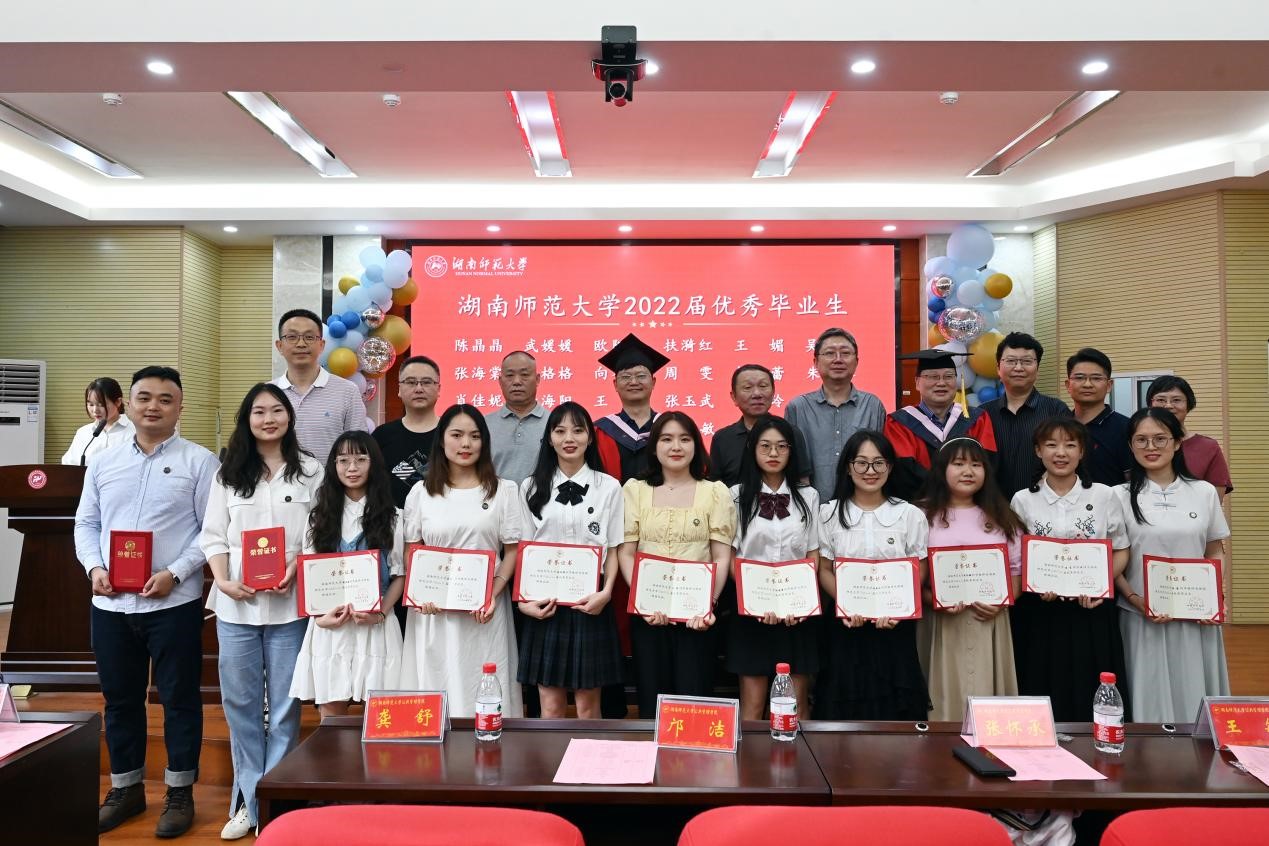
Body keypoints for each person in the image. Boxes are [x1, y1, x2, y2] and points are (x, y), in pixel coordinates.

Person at [74, 366, 218, 838]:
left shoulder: (200, 462)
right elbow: (86, 523)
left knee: (179, 699)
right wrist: (94, 568)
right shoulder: (103, 461)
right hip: (111, 605)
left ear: (180, 407)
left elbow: (211, 533)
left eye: (165, 399)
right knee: (119, 701)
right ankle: (126, 788)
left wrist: (175, 572)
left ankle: (179, 792)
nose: (153, 406)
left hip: (173, 603)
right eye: (144, 397)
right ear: (129, 404)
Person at [200, 383, 323, 840]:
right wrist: (222, 580)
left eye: (276, 410)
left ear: (289, 416)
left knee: (287, 705)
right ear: (246, 419)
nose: (268, 419)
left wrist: (296, 565)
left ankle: (275, 798)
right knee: (241, 704)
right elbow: (213, 535)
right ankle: (251, 801)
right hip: (237, 605)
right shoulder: (228, 472)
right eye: (258, 411)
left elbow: (319, 531)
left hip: (290, 604)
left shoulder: (310, 470)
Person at [401, 404, 525, 718]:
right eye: (456, 435)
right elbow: (413, 548)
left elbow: (512, 551)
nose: (466, 444)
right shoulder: (421, 492)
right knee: (436, 686)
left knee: (483, 686)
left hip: (484, 611)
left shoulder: (503, 491)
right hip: (434, 611)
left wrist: (492, 594)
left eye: (474, 436)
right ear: (442, 440)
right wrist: (421, 593)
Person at [1009, 418, 1131, 721]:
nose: (1060, 452)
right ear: (1038, 451)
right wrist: (1033, 586)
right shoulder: (1023, 499)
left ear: (1082, 451)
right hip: (1041, 611)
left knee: (1092, 687)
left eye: (1070, 445)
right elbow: (1017, 558)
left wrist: (1100, 586)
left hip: (1092, 609)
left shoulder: (1104, 495)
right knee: (1042, 683)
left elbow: (1121, 549)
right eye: (1051, 445)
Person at [1114, 408, 1230, 723]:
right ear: (1131, 446)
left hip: (1196, 616)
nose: (1151, 447)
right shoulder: (1117, 496)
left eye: (1160, 438)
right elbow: (1115, 559)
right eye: (1141, 440)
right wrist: (1134, 598)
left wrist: (1215, 597)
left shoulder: (1203, 492)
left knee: (1195, 691)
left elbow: (1214, 550)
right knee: (1148, 696)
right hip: (1141, 615)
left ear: (1177, 443)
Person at [619, 412, 735, 718]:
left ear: (696, 444)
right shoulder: (635, 490)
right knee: (652, 703)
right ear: (654, 446)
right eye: (666, 439)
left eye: (685, 439)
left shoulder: (715, 492)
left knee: (694, 706)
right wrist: (643, 602)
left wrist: (708, 604)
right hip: (648, 615)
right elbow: (626, 552)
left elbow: (721, 556)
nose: (676, 447)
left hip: (697, 617)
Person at [516, 402, 624, 718]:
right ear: (549, 439)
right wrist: (523, 603)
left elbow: (614, 549)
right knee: (550, 705)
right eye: (560, 431)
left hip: (590, 603)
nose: (569, 438)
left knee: (589, 706)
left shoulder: (609, 487)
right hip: (544, 605)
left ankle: (589, 754)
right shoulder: (530, 486)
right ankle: (552, 755)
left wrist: (606, 593)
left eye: (578, 430)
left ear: (590, 438)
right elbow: (524, 549)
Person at [813, 430, 929, 721]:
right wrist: (847, 604)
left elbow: (919, 568)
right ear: (848, 467)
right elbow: (824, 569)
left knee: (896, 710)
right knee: (844, 704)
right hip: (846, 625)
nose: (870, 471)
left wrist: (899, 609)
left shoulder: (909, 514)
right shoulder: (828, 513)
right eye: (861, 463)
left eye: (879, 463)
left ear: (890, 467)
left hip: (894, 625)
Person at [289, 431, 405, 717]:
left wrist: (380, 613)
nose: (352, 468)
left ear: (373, 463)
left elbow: (400, 575)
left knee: (381, 718)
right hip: (331, 627)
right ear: (334, 466)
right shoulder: (318, 518)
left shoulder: (393, 517)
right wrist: (320, 618)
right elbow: (310, 574)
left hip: (376, 626)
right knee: (331, 719)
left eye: (361, 459)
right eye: (343, 460)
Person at [918, 437, 1023, 722]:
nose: (968, 471)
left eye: (977, 465)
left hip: (989, 619)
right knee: (942, 696)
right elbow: (914, 574)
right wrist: (932, 600)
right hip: (940, 621)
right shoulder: (920, 515)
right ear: (941, 469)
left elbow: (1016, 571)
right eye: (959, 463)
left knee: (987, 704)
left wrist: (1001, 603)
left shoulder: (1002, 516)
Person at [727, 415, 819, 721]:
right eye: (765, 446)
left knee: (795, 705)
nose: (773, 453)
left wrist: (802, 602)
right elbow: (730, 555)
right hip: (751, 613)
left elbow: (812, 552)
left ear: (792, 451)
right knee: (752, 706)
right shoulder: (736, 496)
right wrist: (753, 601)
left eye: (781, 446)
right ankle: (751, 756)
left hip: (797, 614)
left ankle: (797, 754)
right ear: (752, 450)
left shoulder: (808, 496)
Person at [785, 328, 886, 501]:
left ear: (856, 361)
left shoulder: (872, 405)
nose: (838, 359)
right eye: (830, 353)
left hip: (861, 506)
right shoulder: (798, 407)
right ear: (815, 362)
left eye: (845, 353)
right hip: (810, 507)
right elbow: (789, 461)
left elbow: (882, 459)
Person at [884, 348, 997, 502]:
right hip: (918, 506)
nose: (941, 383)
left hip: (967, 505)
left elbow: (987, 464)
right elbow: (904, 471)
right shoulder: (899, 423)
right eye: (932, 377)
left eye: (948, 376)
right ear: (917, 383)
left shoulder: (978, 419)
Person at [270, 308, 366, 463]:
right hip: (279, 479)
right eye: (292, 337)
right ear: (279, 345)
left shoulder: (347, 391)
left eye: (309, 337)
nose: (301, 344)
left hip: (330, 479)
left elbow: (359, 449)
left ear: (321, 345)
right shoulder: (268, 394)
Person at [982, 332, 1072, 497]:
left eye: (1027, 361)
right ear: (998, 368)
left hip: (1043, 504)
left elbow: (1068, 458)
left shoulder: (1056, 410)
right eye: (1011, 361)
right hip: (991, 506)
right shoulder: (982, 414)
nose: (1018, 368)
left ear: (1037, 369)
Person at [709, 364, 811, 488]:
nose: (757, 394)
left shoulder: (791, 433)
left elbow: (802, 481)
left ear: (773, 393)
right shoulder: (723, 438)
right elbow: (715, 487)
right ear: (734, 397)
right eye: (747, 387)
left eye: (763, 386)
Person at [594, 334, 669, 482]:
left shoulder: (671, 428)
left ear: (653, 382)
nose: (634, 382)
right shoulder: (600, 431)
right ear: (615, 384)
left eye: (641, 376)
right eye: (626, 377)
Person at [1146, 375, 1233, 500]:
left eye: (1176, 400)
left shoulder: (1208, 447)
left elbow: (1214, 499)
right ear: (1150, 404)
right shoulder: (1138, 444)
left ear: (1188, 405)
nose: (1168, 405)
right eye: (1161, 400)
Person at [373, 355, 441, 508]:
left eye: (426, 382)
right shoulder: (382, 436)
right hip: (392, 520)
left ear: (438, 389)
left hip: (442, 520)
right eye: (410, 382)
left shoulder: (452, 434)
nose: (419, 389)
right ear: (399, 389)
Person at [1066, 347, 1132, 488]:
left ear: (1109, 385)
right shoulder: (1059, 428)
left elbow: (1133, 482)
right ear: (1068, 385)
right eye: (1079, 378)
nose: (1087, 384)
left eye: (1096, 378)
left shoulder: (1127, 428)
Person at [487, 351, 548, 485]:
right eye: (509, 375)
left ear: (537, 379)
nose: (516, 382)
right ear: (500, 381)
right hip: (494, 497)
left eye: (524, 375)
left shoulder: (555, 424)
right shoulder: (483, 425)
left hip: (544, 498)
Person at [62, 376, 134, 465]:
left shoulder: (135, 432)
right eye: (91, 404)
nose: (95, 410)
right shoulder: (83, 433)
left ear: (118, 402)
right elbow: (68, 464)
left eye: (101, 404)